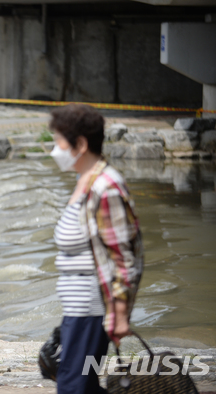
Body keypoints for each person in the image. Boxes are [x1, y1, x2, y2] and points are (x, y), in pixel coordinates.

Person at [49, 104, 144, 394]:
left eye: (58, 142)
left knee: (73, 388)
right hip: (76, 308)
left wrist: (119, 313)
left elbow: (125, 256)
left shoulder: (107, 186)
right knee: (81, 385)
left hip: (92, 309)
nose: (54, 150)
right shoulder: (85, 181)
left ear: (80, 144)